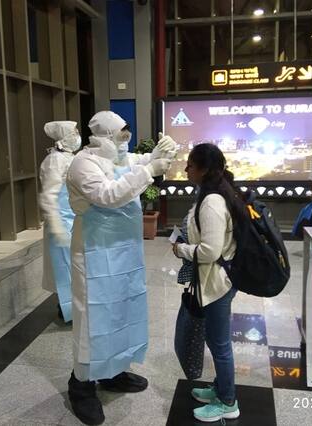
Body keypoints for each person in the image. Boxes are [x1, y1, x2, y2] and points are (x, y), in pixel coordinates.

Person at [65, 110, 176, 425]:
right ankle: (81, 385)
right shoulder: (83, 163)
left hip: (123, 253)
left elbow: (140, 162)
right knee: (93, 318)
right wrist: (150, 169)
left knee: (122, 311)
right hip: (94, 253)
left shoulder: (117, 158)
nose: (126, 141)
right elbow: (107, 194)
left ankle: (112, 371)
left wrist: (161, 153)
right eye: (121, 135)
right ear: (105, 136)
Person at [172, 143, 248, 423]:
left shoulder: (212, 202)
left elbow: (210, 251)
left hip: (217, 284)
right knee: (216, 341)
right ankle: (220, 388)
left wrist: (181, 249)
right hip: (215, 281)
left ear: (204, 169)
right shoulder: (212, 194)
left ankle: (228, 402)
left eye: (190, 165)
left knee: (219, 345)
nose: (185, 169)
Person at [39, 121, 82, 322]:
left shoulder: (70, 157)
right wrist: (56, 225)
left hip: (74, 218)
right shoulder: (54, 160)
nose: (77, 136)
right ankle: (68, 312)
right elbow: (49, 195)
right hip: (61, 221)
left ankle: (77, 309)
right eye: (74, 132)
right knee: (65, 268)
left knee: (75, 268)